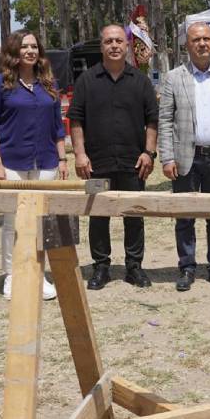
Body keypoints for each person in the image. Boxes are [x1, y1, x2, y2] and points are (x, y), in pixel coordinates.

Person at [69, 25, 158, 290]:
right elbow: (75, 120)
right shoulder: (86, 80)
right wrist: (80, 154)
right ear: (102, 46)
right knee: (97, 215)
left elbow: (152, 121)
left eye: (119, 40)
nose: (115, 45)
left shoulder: (140, 81)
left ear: (127, 45)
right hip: (95, 166)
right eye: (109, 41)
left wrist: (149, 153)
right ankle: (101, 267)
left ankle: (134, 267)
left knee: (134, 214)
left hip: (134, 164)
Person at [0, 29, 67, 300]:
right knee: (13, 222)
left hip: (46, 163)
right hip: (12, 163)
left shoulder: (49, 84)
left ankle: (39, 275)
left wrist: (63, 159)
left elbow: (58, 127)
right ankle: (12, 275)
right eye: (24, 47)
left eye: (34, 46)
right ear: (14, 52)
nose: (30, 51)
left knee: (44, 221)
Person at [158, 22, 210, 292]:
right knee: (185, 216)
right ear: (187, 45)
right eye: (196, 40)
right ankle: (187, 267)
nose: (202, 44)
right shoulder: (172, 78)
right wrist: (167, 157)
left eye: (206, 39)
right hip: (185, 159)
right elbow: (165, 119)